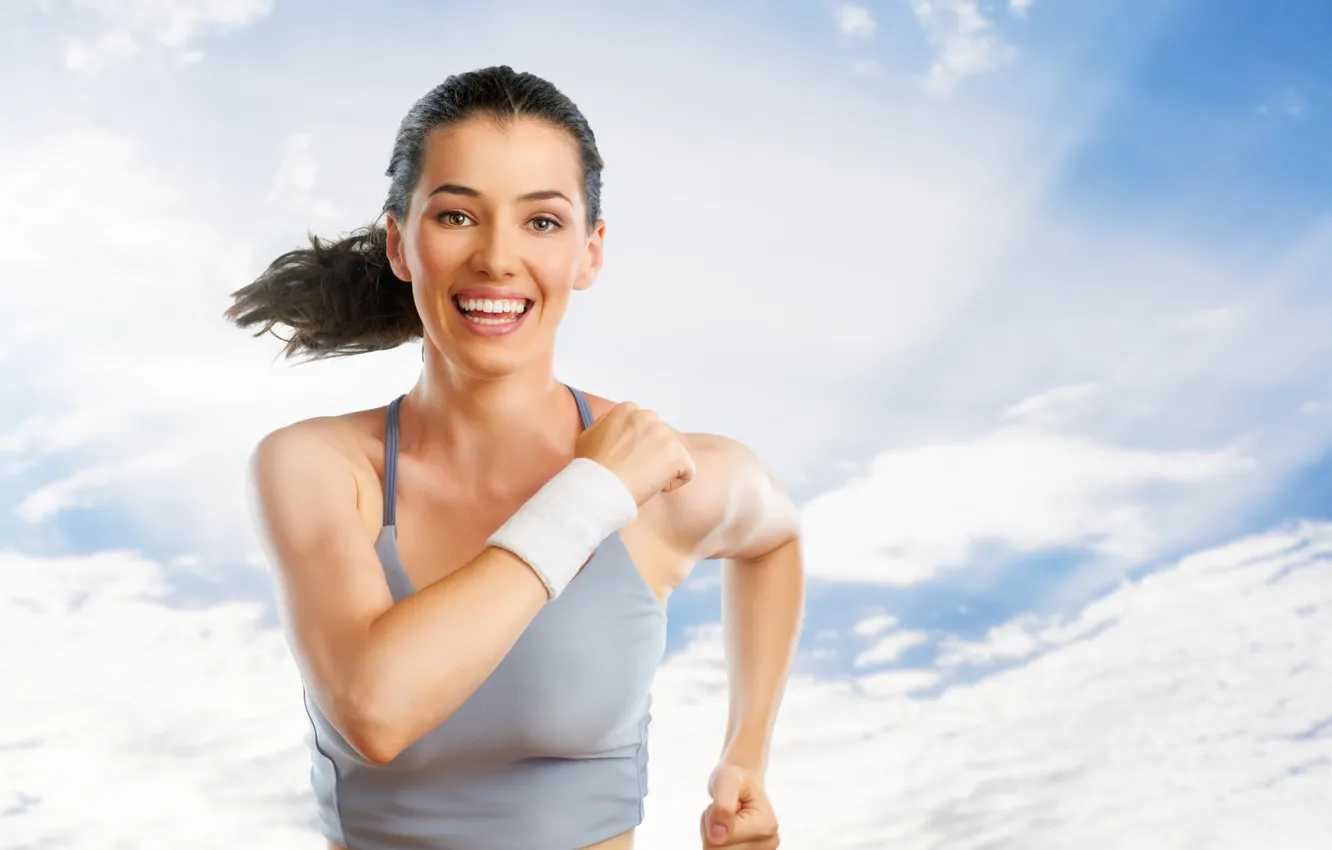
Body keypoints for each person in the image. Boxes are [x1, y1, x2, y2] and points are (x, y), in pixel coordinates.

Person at [225, 65, 805, 850]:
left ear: (590, 253)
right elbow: (376, 710)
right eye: (458, 216)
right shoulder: (322, 468)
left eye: (542, 222)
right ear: (400, 242)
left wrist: (747, 757)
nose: (497, 259)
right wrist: (590, 493)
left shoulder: (662, 475)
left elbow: (774, 537)